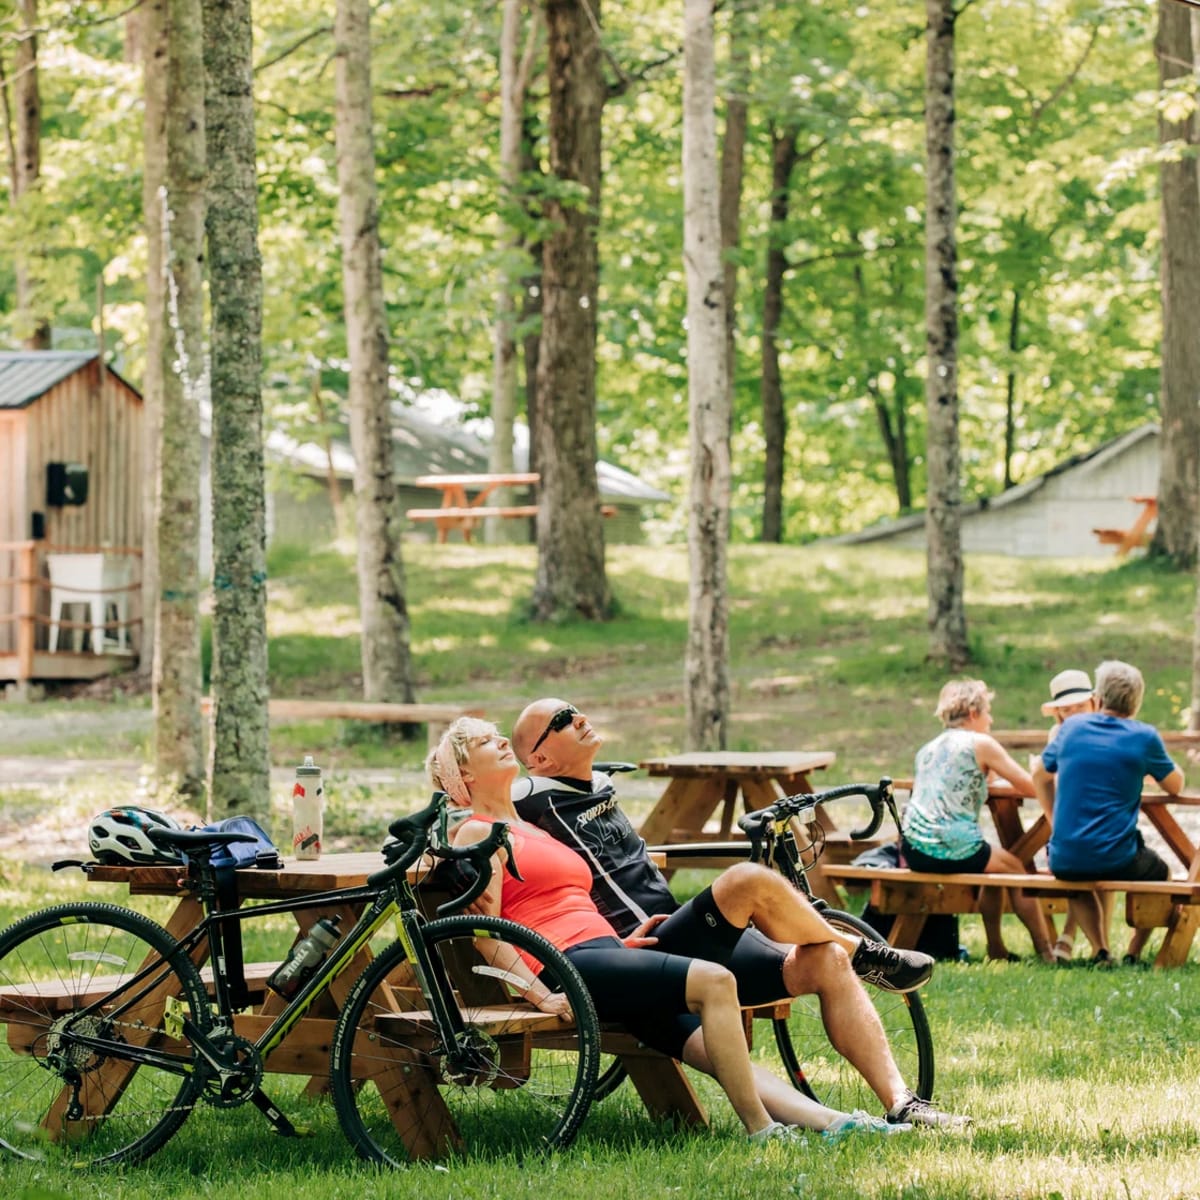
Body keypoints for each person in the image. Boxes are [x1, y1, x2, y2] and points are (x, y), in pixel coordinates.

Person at [431, 718, 913, 1143]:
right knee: (714, 980)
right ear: (465, 774)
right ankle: (761, 1130)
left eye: (498, 735)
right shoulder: (477, 832)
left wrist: (622, 942)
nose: (498, 740)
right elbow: (485, 932)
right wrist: (540, 996)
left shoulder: (530, 829)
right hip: (562, 965)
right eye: (482, 741)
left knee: (700, 1032)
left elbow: (569, 900)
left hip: (604, 952)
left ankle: (837, 1123)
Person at [509, 697, 970, 1130]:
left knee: (826, 959)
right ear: (540, 759)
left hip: (683, 934)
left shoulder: (599, 783)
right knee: (744, 880)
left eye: (575, 711)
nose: (579, 718)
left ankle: (901, 1103)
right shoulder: (528, 795)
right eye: (562, 720)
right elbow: (471, 802)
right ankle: (863, 952)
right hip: (648, 953)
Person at [1033, 660, 1184, 966]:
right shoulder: (1144, 737)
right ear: (1137, 702)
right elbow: (1175, 785)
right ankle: (1134, 951)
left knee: (1081, 878)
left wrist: (1054, 818)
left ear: (1098, 698)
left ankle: (1101, 950)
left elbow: (1040, 774)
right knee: (1162, 875)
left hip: (1063, 857)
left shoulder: (1071, 728)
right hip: (1118, 856)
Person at [902, 679, 1055, 964]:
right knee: (1016, 869)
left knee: (994, 871)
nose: (991, 719)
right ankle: (1046, 951)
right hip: (951, 844)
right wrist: (1042, 772)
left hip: (913, 848)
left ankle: (997, 949)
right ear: (973, 713)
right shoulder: (981, 743)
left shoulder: (928, 749)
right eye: (988, 712)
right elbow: (1028, 786)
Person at [1031, 669, 1100, 962]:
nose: (1072, 715)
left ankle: (1079, 938)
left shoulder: (1106, 730)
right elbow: (1046, 776)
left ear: (1094, 704)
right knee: (1081, 857)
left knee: (1102, 853)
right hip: (1068, 820)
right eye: (1066, 710)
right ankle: (1088, 943)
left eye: (1079, 708)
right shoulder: (1058, 734)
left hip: (1096, 820)